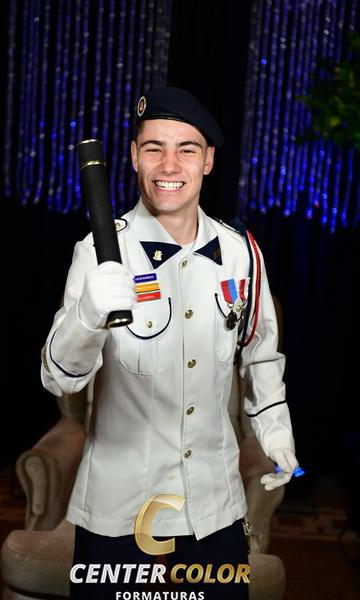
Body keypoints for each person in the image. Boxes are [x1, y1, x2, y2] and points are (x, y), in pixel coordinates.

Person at [41, 86, 298, 599]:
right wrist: (88, 316)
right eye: (154, 148)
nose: (169, 165)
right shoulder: (98, 251)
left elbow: (260, 354)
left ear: (208, 161)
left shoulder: (241, 253)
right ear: (134, 156)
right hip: (118, 511)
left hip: (214, 509)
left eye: (187, 149)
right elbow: (59, 378)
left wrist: (276, 435)